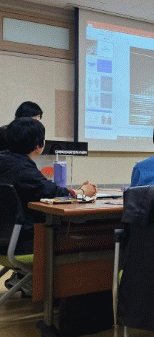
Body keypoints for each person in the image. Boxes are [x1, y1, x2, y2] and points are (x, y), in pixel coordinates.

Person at [0, 118, 97, 294]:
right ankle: (62, 292)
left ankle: (28, 280)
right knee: (84, 237)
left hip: (5, 240)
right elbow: (52, 192)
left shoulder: (5, 161)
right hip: (22, 244)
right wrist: (81, 192)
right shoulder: (22, 168)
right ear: (39, 145)